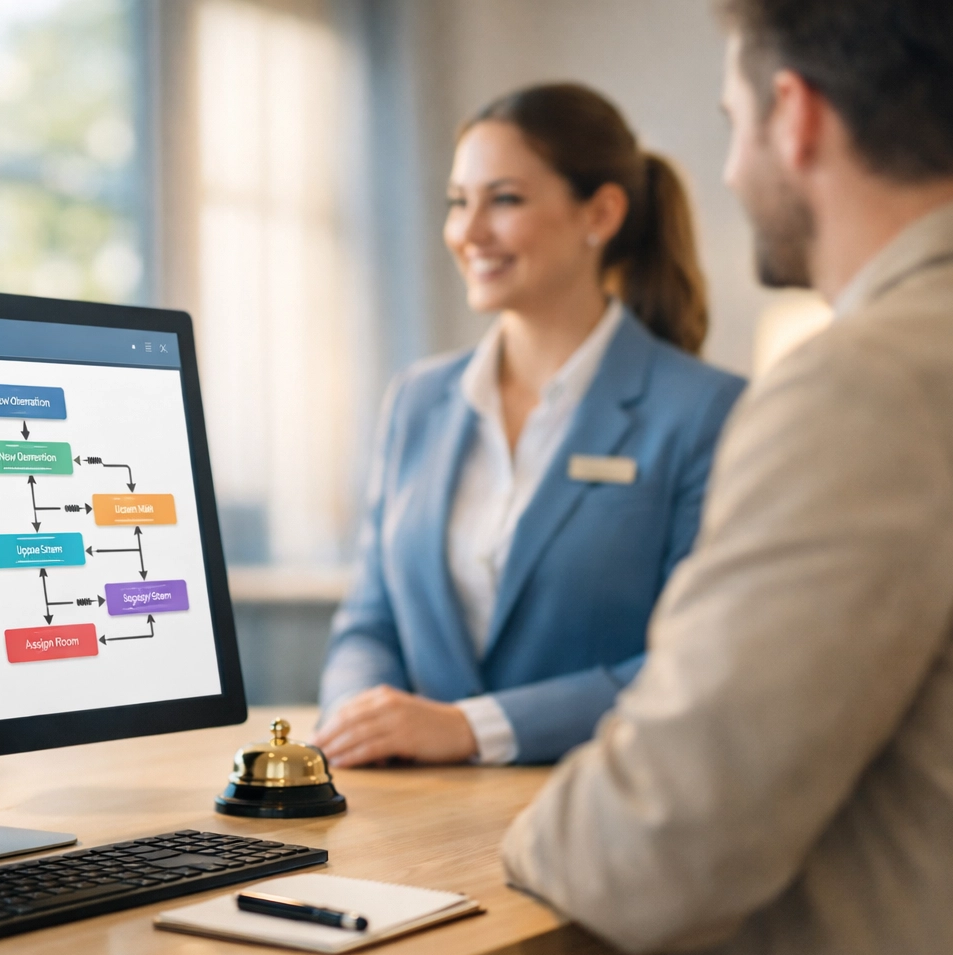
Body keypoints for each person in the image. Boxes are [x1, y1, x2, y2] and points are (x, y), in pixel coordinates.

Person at [501, 1, 953, 955]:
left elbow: (657, 843)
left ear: (796, 115)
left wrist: (519, 831)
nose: (731, 171)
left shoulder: (867, 388)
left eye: (732, 122)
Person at [313, 85, 746, 769]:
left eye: (505, 200)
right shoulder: (417, 400)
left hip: (598, 806)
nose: (468, 231)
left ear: (600, 213)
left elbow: (699, 660)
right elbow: (369, 622)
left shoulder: (707, 413)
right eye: (459, 201)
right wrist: (358, 718)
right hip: (409, 805)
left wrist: (470, 728)